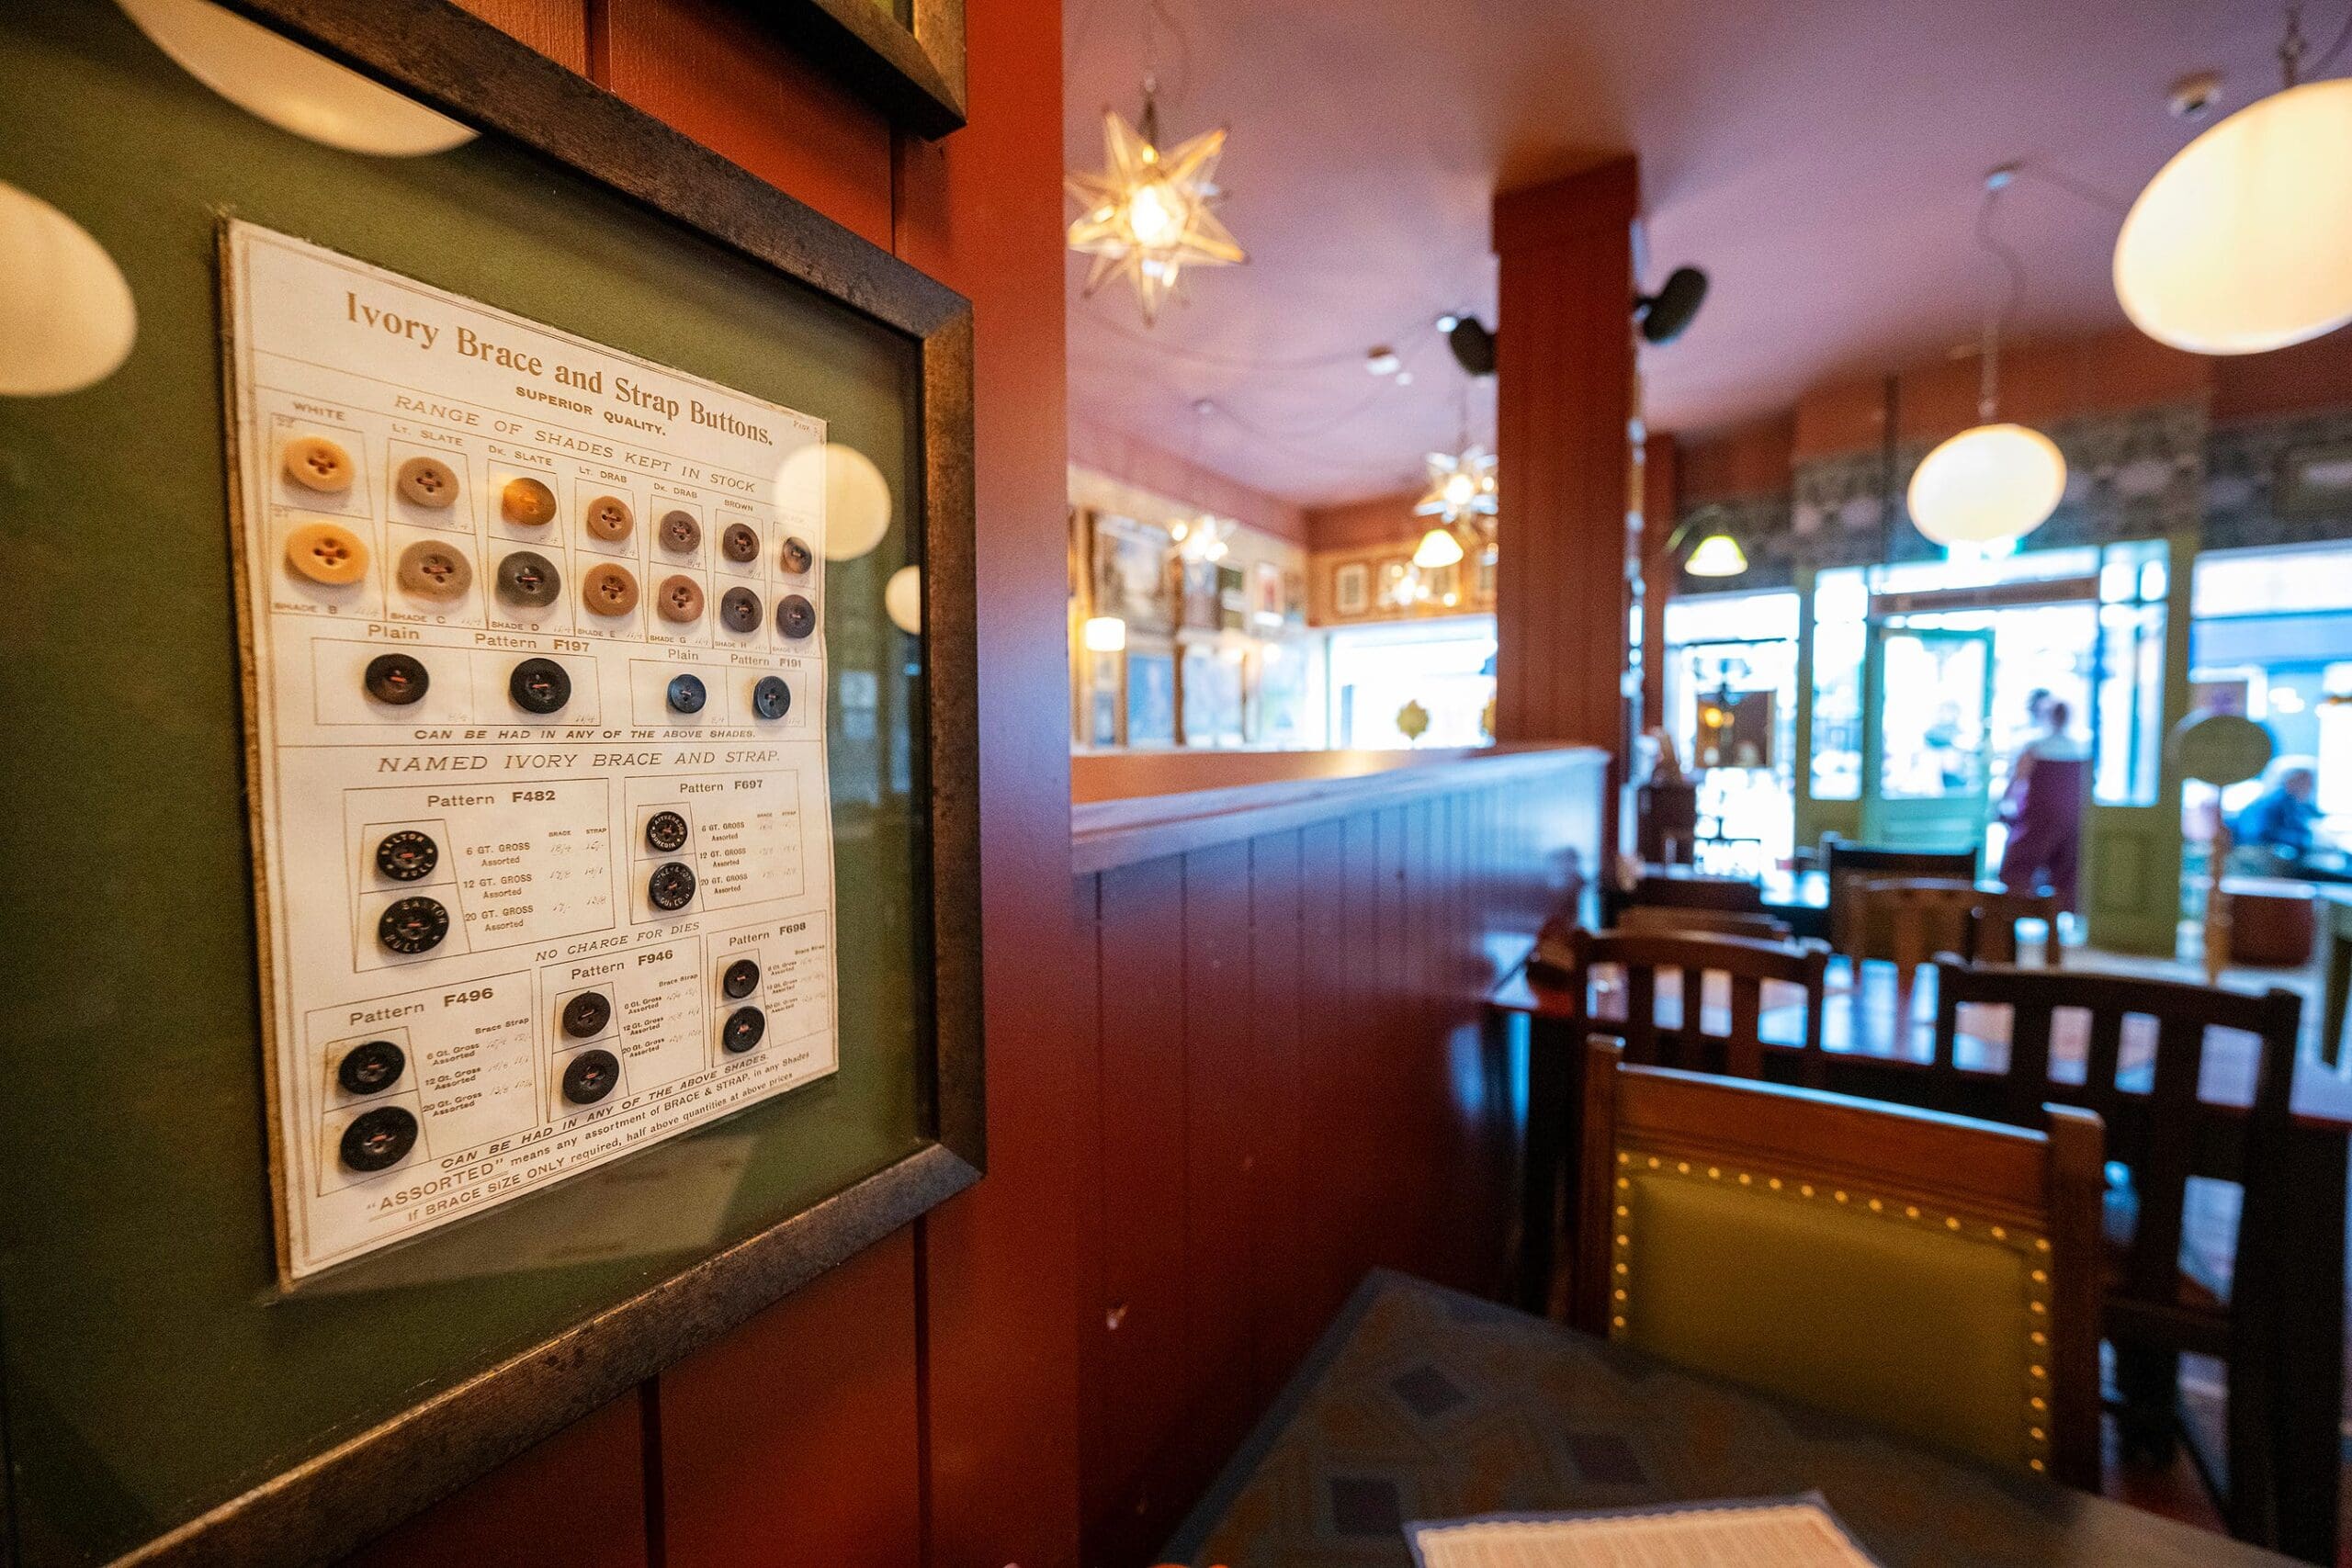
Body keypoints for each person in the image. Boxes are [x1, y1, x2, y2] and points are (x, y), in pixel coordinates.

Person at [1997, 698, 2088, 911]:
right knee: (2066, 871)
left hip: (2039, 816)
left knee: (2018, 866)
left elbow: (2018, 777)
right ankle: (2057, 916)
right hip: (2071, 816)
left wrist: (2003, 803)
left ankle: (2012, 912)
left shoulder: (2035, 745)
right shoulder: (2080, 748)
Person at [2233, 758, 2321, 862]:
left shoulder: (2295, 804)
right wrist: (2304, 840)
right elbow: (2258, 833)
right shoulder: (2272, 802)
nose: (2310, 787)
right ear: (2290, 780)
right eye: (2305, 781)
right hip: (2261, 857)